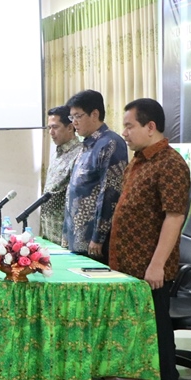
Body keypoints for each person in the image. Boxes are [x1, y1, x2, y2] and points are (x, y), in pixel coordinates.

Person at [108, 99, 190, 380]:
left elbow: (174, 216)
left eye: (130, 126)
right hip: (127, 266)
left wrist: (157, 265)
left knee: (158, 334)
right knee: (138, 334)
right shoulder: (139, 161)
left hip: (149, 270)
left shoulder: (170, 164)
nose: (124, 133)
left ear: (150, 127)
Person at [63, 90, 128, 261]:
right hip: (77, 237)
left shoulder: (110, 143)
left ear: (94, 114)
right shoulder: (87, 144)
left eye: (78, 116)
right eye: (71, 117)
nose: (74, 122)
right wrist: (66, 233)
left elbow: (110, 193)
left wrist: (98, 237)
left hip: (94, 243)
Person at [40, 106, 82, 247]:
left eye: (55, 127)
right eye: (49, 128)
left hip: (65, 236)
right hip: (48, 232)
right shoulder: (56, 154)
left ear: (70, 127)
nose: (51, 132)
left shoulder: (80, 154)